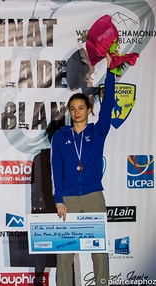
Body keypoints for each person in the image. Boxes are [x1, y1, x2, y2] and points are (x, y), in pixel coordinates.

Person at [50, 54, 114, 286]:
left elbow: (108, 105)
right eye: (73, 109)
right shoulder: (60, 137)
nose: (77, 112)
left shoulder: (97, 132)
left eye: (81, 107)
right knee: (64, 254)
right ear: (69, 111)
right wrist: (58, 200)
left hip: (93, 196)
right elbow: (56, 171)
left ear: (89, 109)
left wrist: (112, 71)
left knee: (99, 251)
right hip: (68, 199)